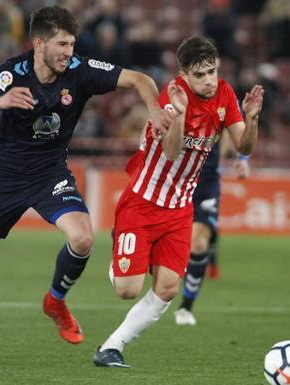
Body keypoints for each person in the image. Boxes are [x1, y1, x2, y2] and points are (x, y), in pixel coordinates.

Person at [0, 5, 172, 363]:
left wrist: (154, 109)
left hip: (50, 173)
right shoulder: (12, 71)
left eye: (72, 44)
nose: (69, 52)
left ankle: (55, 301)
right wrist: (1, 101)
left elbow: (140, 80)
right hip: (4, 177)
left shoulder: (79, 71)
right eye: (62, 44)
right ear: (39, 44)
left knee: (83, 238)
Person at [93, 36, 264, 368]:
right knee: (127, 290)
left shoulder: (225, 93)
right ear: (184, 74)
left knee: (168, 287)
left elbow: (243, 147)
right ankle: (120, 250)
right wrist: (182, 115)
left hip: (180, 207)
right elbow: (171, 153)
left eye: (212, 71)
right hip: (142, 202)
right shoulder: (171, 98)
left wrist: (252, 118)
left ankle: (112, 347)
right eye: (200, 75)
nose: (209, 80)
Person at [174, 141, 249, 326]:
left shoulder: (224, 110)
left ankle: (186, 306)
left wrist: (243, 158)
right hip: (173, 180)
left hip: (205, 184)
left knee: (199, 244)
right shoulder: (178, 110)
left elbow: (239, 133)